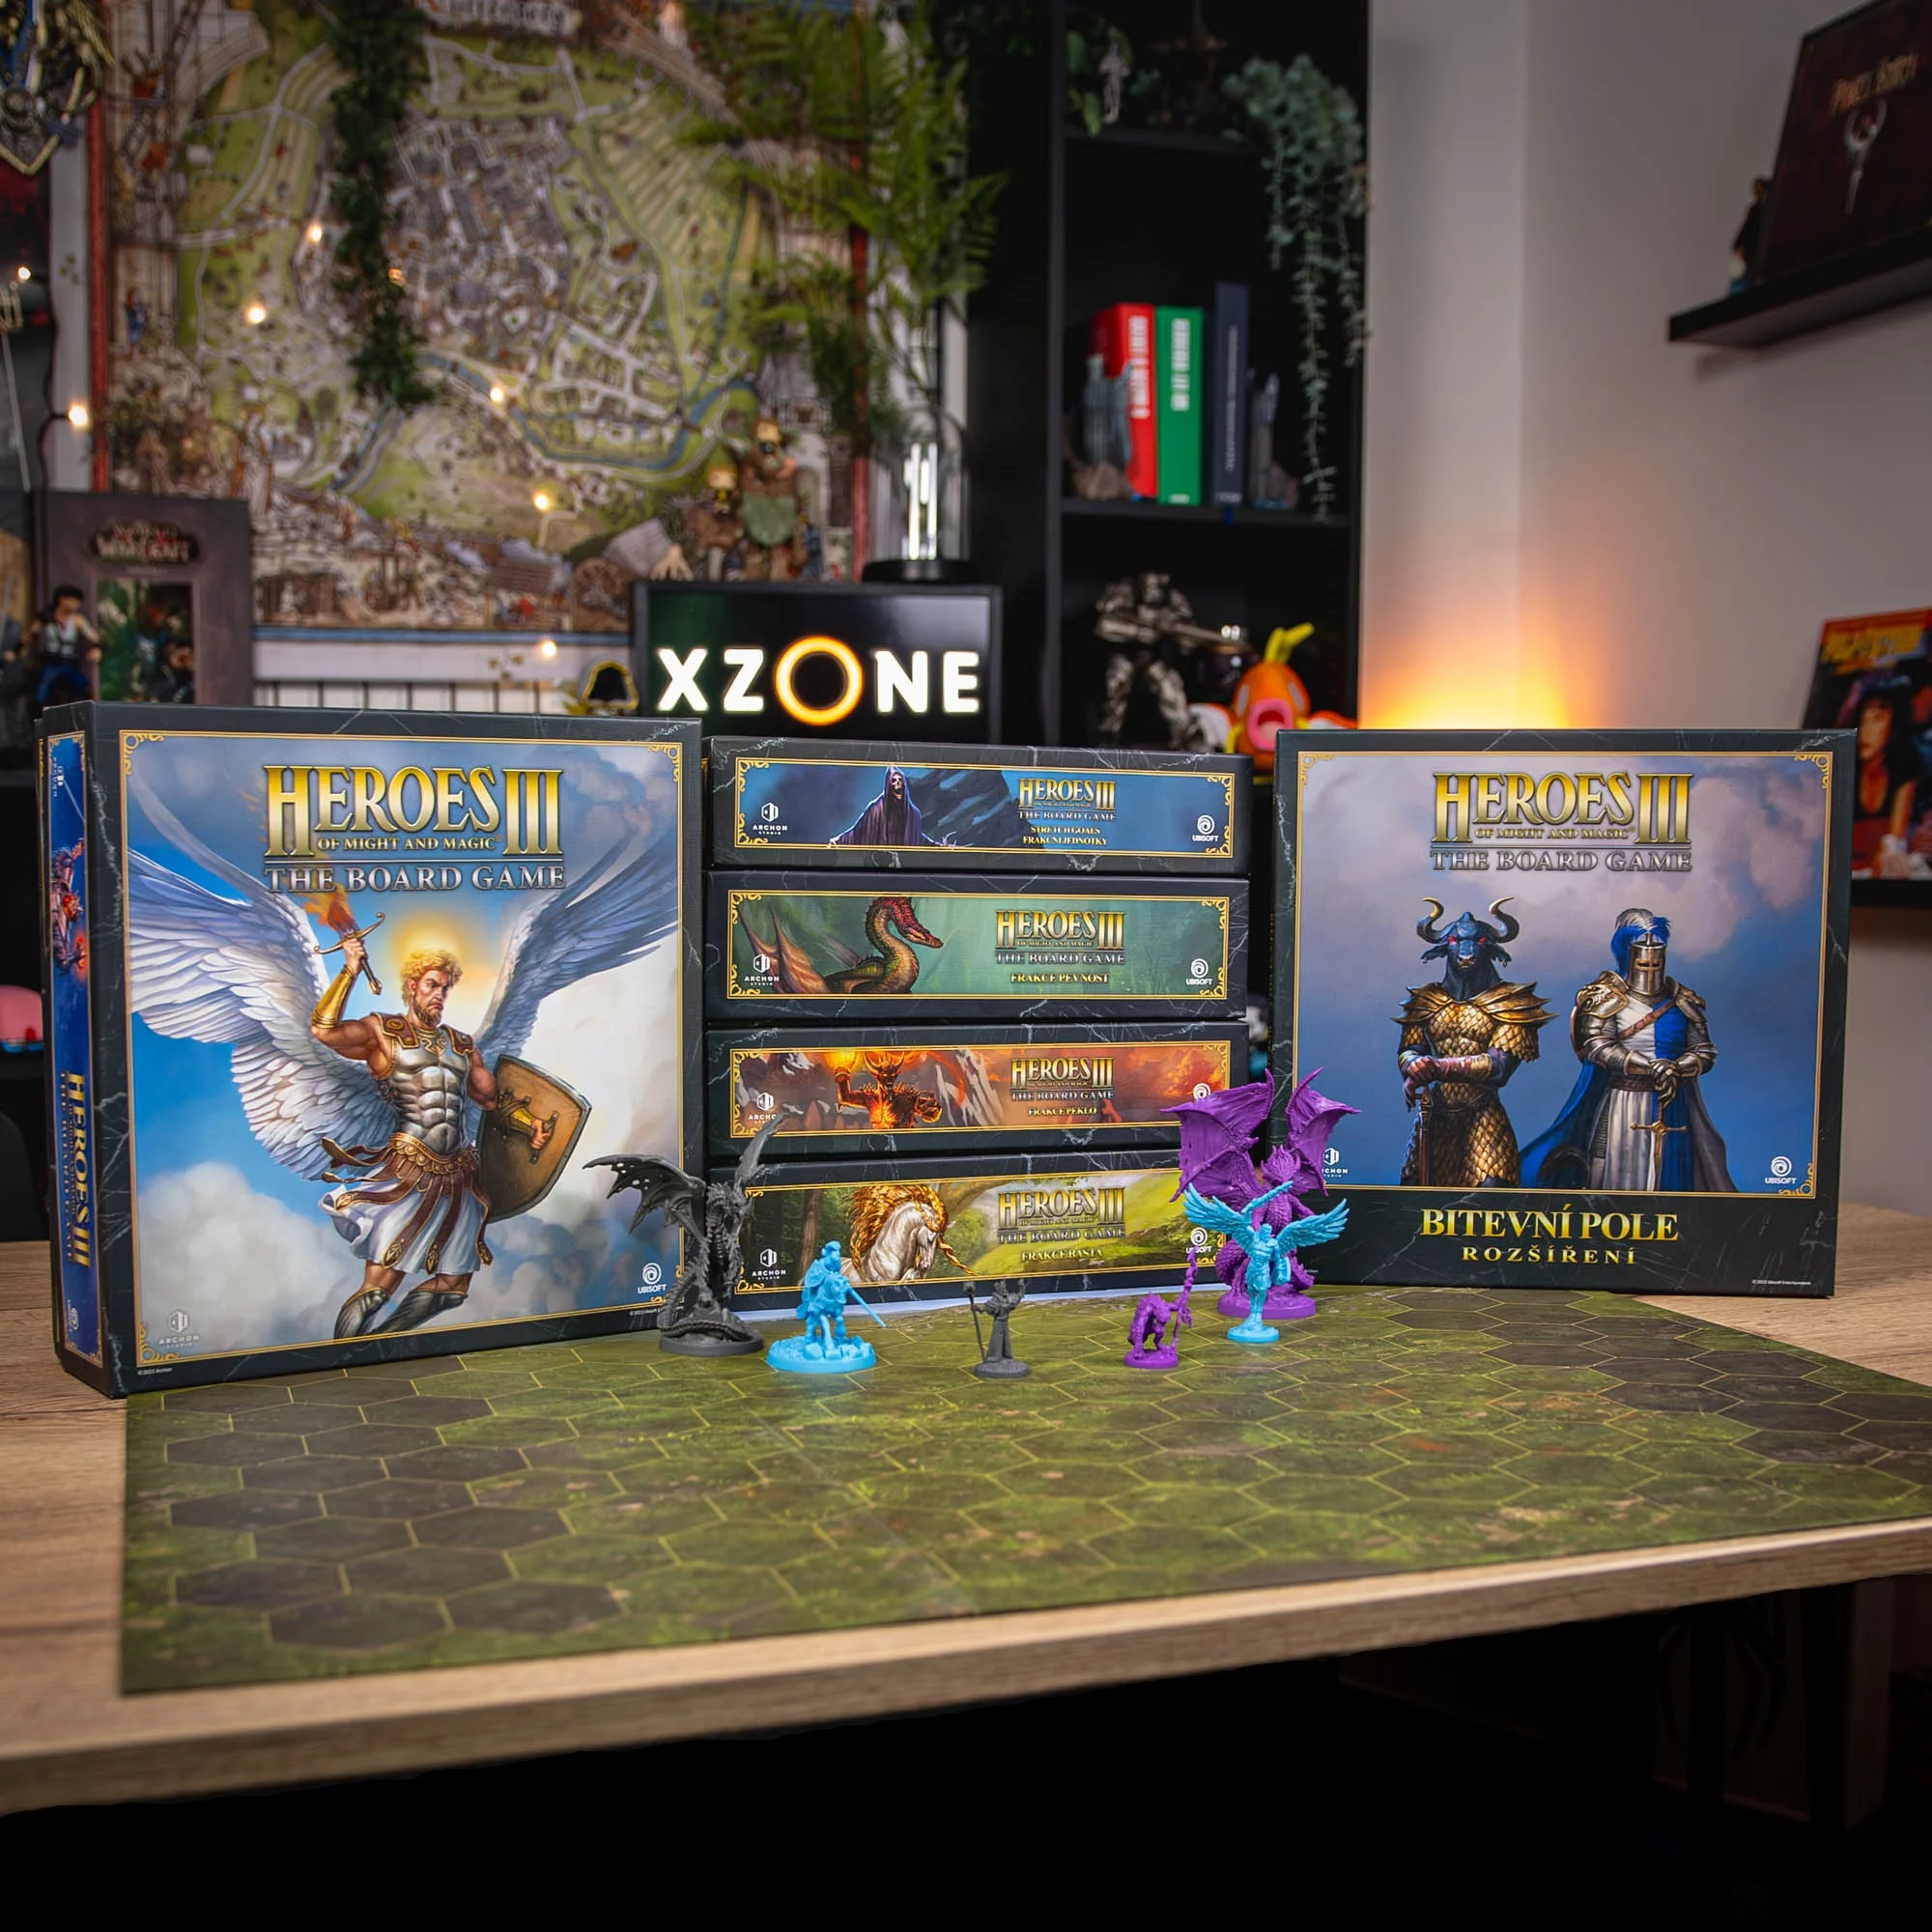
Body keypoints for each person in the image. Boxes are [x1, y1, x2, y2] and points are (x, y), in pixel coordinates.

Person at [311, 937, 552, 1338]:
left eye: (445, 987)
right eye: (431, 985)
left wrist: (530, 1125)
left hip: (460, 1176)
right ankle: (341, 1355)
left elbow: (491, 1101)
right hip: (409, 1173)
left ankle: (383, 1342)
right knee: (377, 1290)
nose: (439, 994)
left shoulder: (462, 1046)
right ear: (412, 986)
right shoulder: (382, 1032)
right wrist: (350, 969)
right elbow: (324, 1030)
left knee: (452, 1289)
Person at [1520, 910, 1734, 1193]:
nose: (1650, 962)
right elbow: (1598, 1046)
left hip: (1673, 1103)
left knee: (1673, 1175)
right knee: (1612, 1172)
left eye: (1657, 953)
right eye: (1643, 953)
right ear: (1627, 953)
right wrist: (1648, 1066)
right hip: (1622, 1100)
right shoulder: (1607, 1000)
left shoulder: (1682, 1001)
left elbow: (1704, 1051)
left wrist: (1677, 1067)